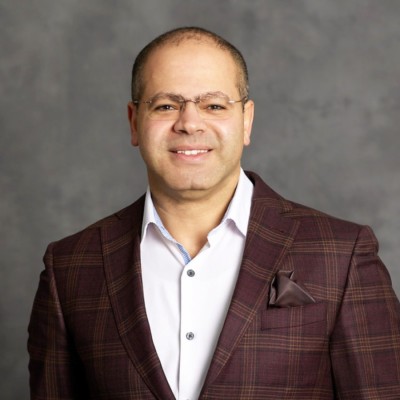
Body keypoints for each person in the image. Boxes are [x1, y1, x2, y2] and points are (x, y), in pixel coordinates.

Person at [28, 26, 400, 400]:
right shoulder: (70, 267)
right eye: (166, 105)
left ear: (246, 120)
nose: (189, 123)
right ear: (134, 121)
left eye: (214, 106)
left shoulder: (341, 255)